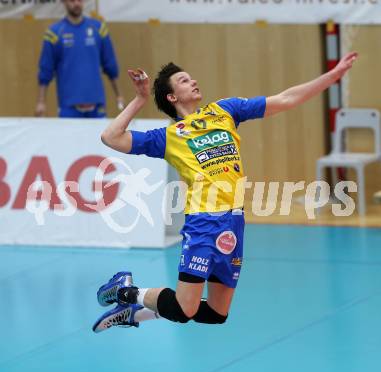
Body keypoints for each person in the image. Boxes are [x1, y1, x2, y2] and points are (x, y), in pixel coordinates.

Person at [92, 52, 358, 332]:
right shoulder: (168, 137)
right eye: (183, 80)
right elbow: (111, 137)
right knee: (185, 308)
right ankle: (126, 291)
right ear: (172, 97)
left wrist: (332, 76)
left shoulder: (224, 111)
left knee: (217, 313)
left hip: (234, 223)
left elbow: (285, 99)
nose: (193, 81)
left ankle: (133, 315)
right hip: (203, 222)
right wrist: (140, 99)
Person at [35, 0, 124, 118]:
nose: (76, 4)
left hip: (97, 106)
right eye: (72, 0)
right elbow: (45, 71)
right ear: (63, 2)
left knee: (100, 137)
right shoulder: (54, 33)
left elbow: (110, 66)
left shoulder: (99, 29)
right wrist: (41, 102)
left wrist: (119, 96)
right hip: (69, 107)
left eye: (80, 0)